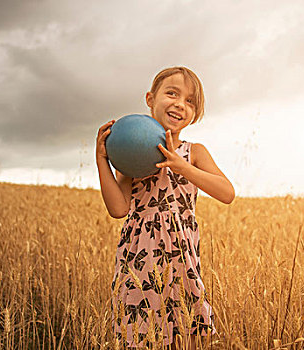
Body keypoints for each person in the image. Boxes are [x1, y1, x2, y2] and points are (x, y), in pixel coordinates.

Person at [96, 66, 235, 349]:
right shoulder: (134, 152)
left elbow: (227, 192)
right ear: (150, 99)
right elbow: (118, 209)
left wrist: (183, 167)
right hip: (139, 263)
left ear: (195, 114)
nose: (180, 104)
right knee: (139, 333)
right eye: (172, 93)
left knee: (190, 331)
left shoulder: (194, 152)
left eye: (190, 101)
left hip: (181, 260)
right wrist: (103, 161)